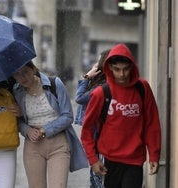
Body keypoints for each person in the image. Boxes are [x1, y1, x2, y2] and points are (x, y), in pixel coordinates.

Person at [81, 43, 161, 188]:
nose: (122, 74)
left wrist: (154, 155)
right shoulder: (101, 93)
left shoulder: (142, 89)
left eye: (125, 69)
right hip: (109, 160)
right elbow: (86, 129)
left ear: (132, 67)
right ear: (110, 68)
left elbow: (152, 123)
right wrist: (93, 159)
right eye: (117, 69)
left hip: (135, 159)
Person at [12, 61, 88, 188]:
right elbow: (18, 121)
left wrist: (44, 130)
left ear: (34, 69)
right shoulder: (17, 91)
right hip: (33, 146)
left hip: (58, 145)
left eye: (25, 72)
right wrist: (27, 130)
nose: (22, 77)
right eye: (17, 74)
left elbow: (68, 116)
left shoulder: (54, 84)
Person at [75, 49, 110, 188]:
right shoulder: (101, 84)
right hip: (97, 134)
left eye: (98, 60)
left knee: (98, 177)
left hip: (98, 134)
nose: (95, 64)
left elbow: (79, 97)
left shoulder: (102, 86)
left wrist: (86, 77)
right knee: (96, 176)